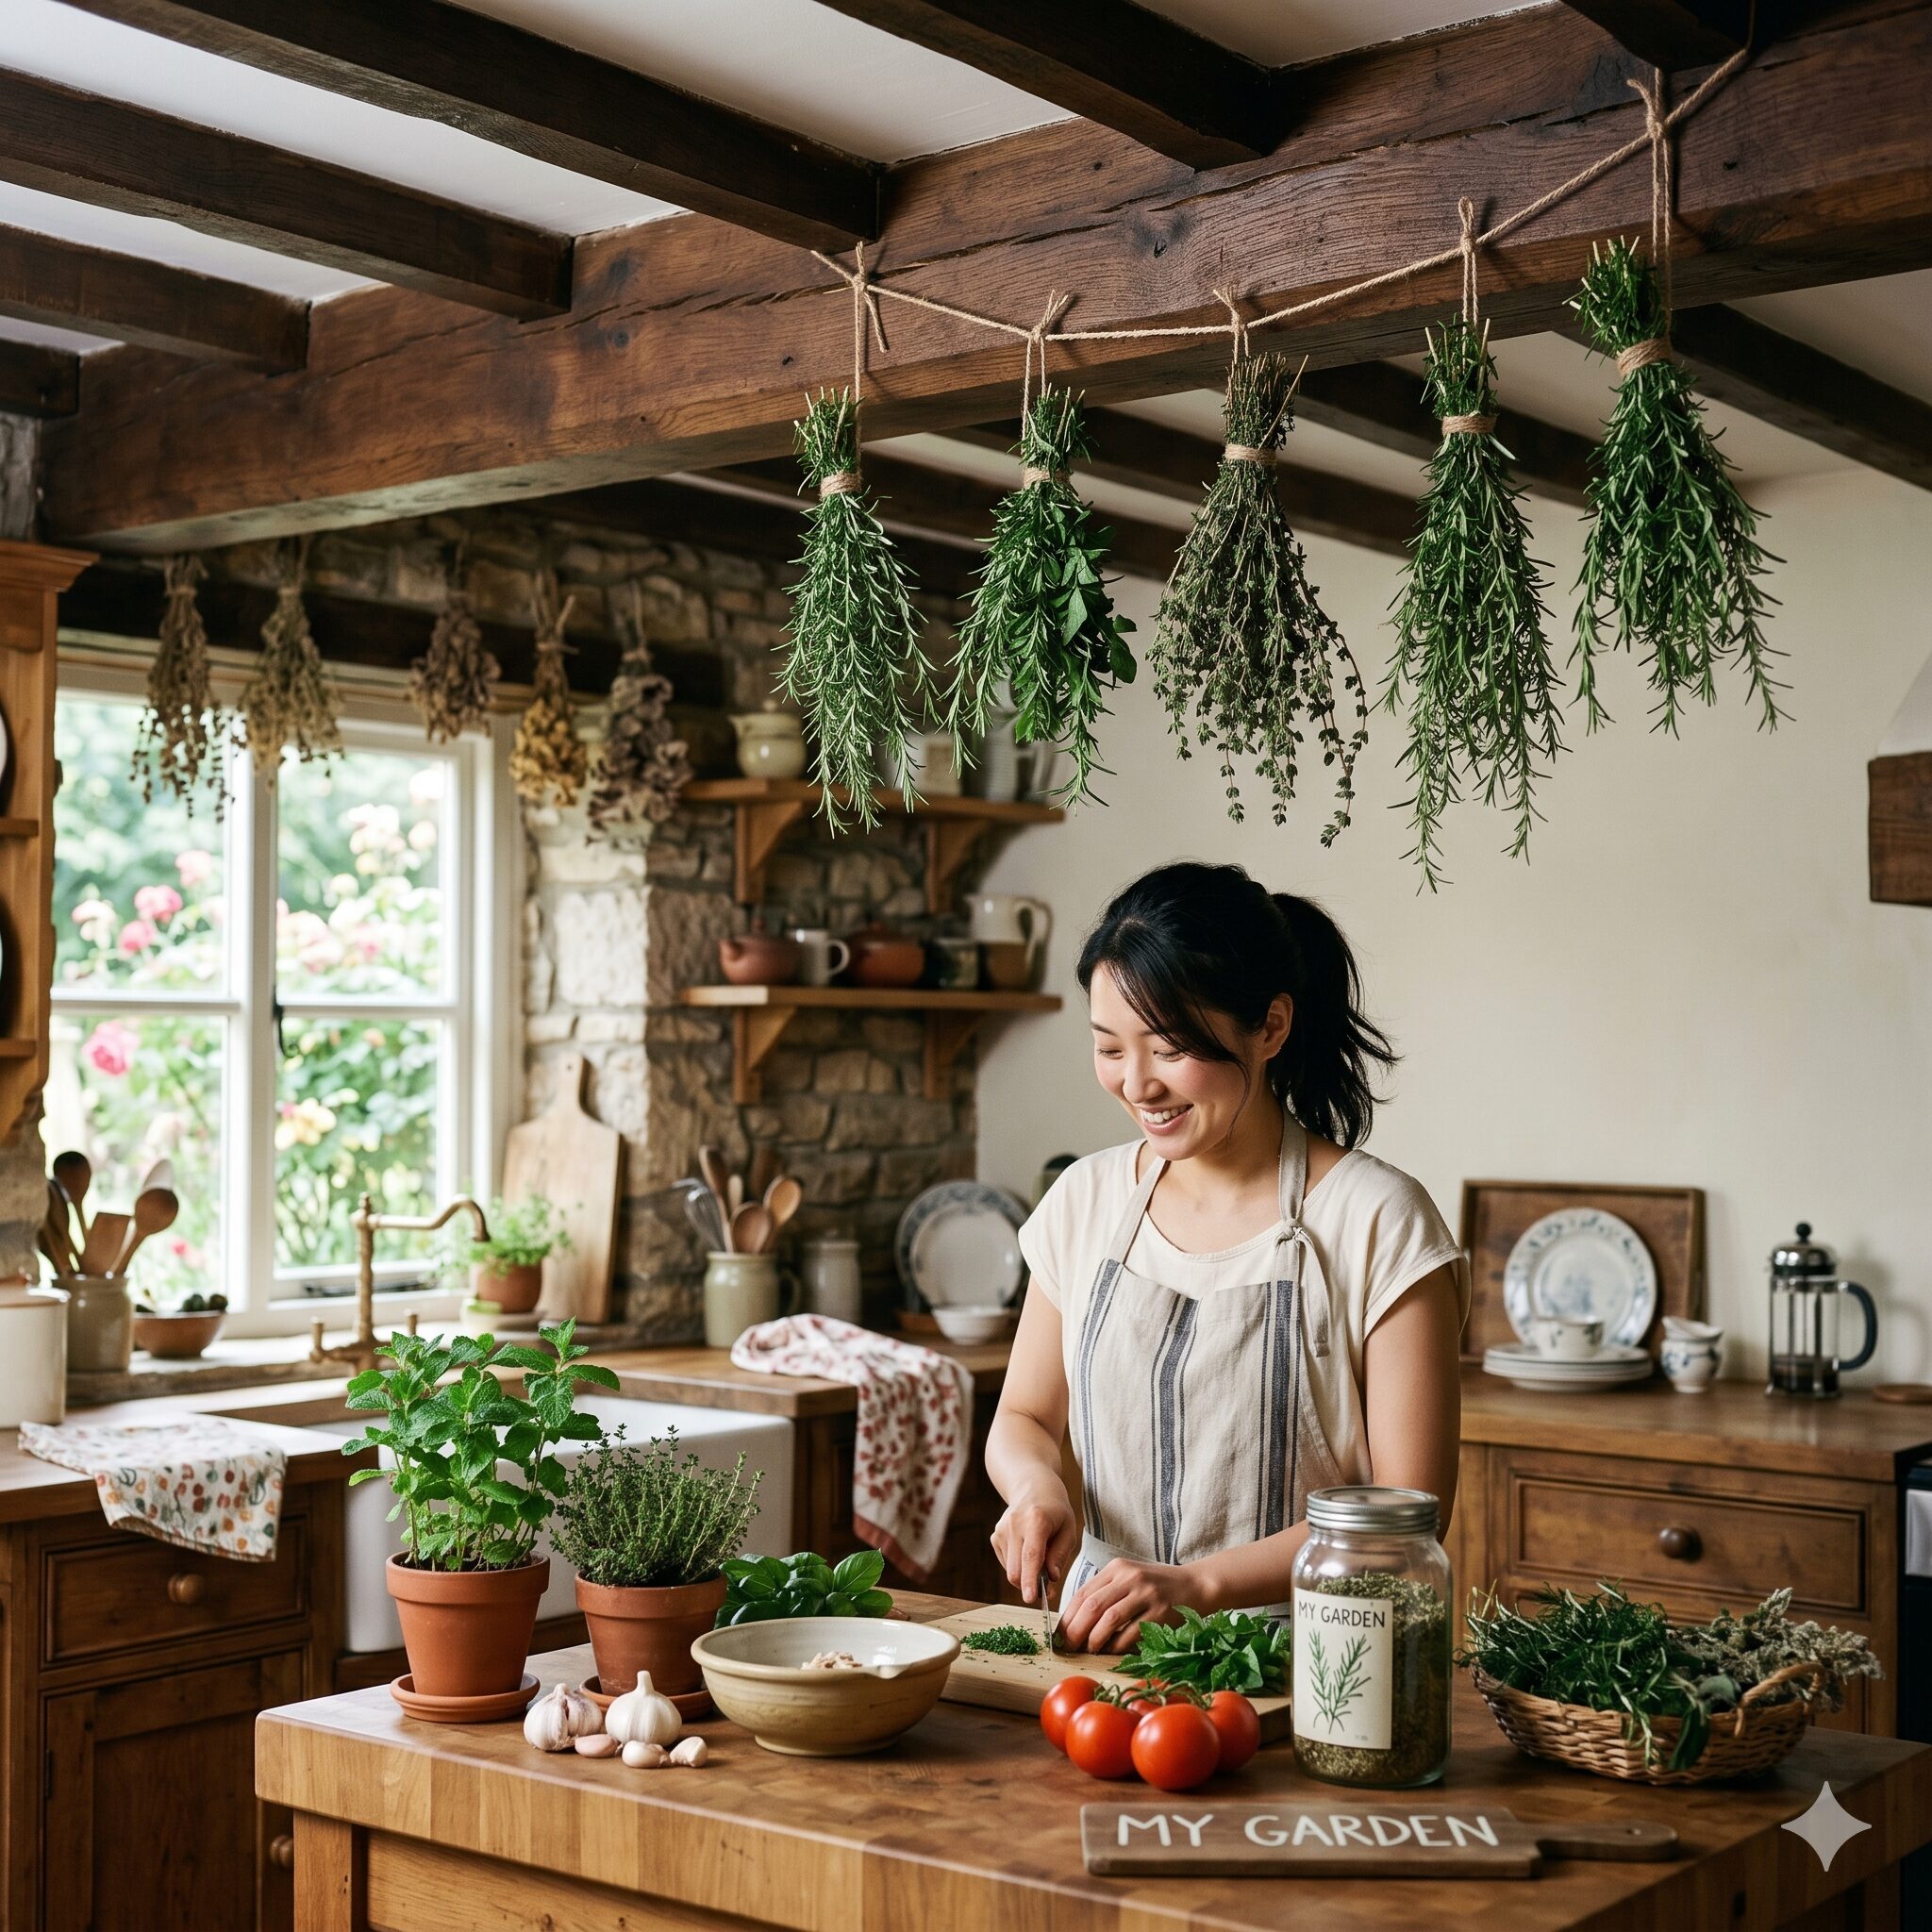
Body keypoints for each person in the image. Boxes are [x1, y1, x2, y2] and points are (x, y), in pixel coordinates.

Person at [986, 861, 1466, 1653]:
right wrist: (1036, 1488)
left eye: (1169, 1048)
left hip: (1317, 1663)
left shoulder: (1378, 1219)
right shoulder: (1085, 1200)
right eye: (1109, 1048)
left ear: (1270, 1027)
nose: (1137, 1084)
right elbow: (1025, 1417)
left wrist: (1199, 1587)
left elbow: (1407, 1510)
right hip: (1104, 1644)